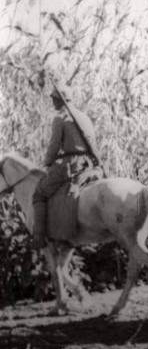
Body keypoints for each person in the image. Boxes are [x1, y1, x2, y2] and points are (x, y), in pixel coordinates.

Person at [31, 86, 97, 249]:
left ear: (60, 100)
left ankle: (39, 237)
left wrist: (46, 162)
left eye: (54, 99)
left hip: (71, 164)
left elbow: (54, 146)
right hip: (88, 164)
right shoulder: (84, 117)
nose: (52, 102)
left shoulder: (60, 118)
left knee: (39, 193)